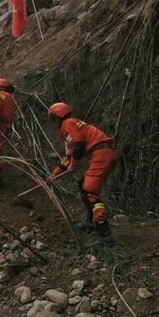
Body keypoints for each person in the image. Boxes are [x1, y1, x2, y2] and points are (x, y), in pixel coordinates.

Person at [47, 102, 119, 243]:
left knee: (90, 193)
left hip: (101, 154)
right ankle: (90, 222)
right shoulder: (71, 126)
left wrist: (73, 166)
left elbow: (79, 146)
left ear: (58, 116)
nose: (54, 122)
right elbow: (69, 157)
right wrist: (53, 176)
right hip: (103, 153)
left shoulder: (68, 124)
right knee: (83, 186)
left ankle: (105, 235)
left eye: (54, 119)